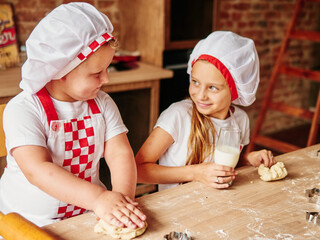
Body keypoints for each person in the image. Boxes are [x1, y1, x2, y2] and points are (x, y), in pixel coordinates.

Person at [0, 2, 146, 228]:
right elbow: (38, 170)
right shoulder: (23, 110)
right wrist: (98, 198)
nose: (106, 79)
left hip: (85, 218)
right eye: (97, 73)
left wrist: (122, 202)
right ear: (60, 71)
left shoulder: (102, 104)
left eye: (107, 69)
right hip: (24, 223)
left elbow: (119, 154)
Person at [136, 31, 276, 191]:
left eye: (213, 87)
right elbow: (139, 170)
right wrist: (196, 173)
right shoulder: (178, 115)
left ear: (235, 90)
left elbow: (224, 166)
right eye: (195, 82)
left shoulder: (240, 120)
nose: (201, 95)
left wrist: (248, 159)